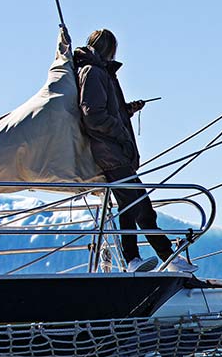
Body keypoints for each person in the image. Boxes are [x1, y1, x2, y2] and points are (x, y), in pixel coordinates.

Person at [74, 29, 197, 274]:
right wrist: (120, 129)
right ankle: (143, 259)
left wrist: (127, 110)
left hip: (114, 151)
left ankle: (157, 258)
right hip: (110, 152)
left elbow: (104, 111)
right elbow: (94, 115)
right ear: (109, 48)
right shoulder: (94, 73)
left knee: (136, 204)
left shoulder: (100, 74)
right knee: (135, 203)